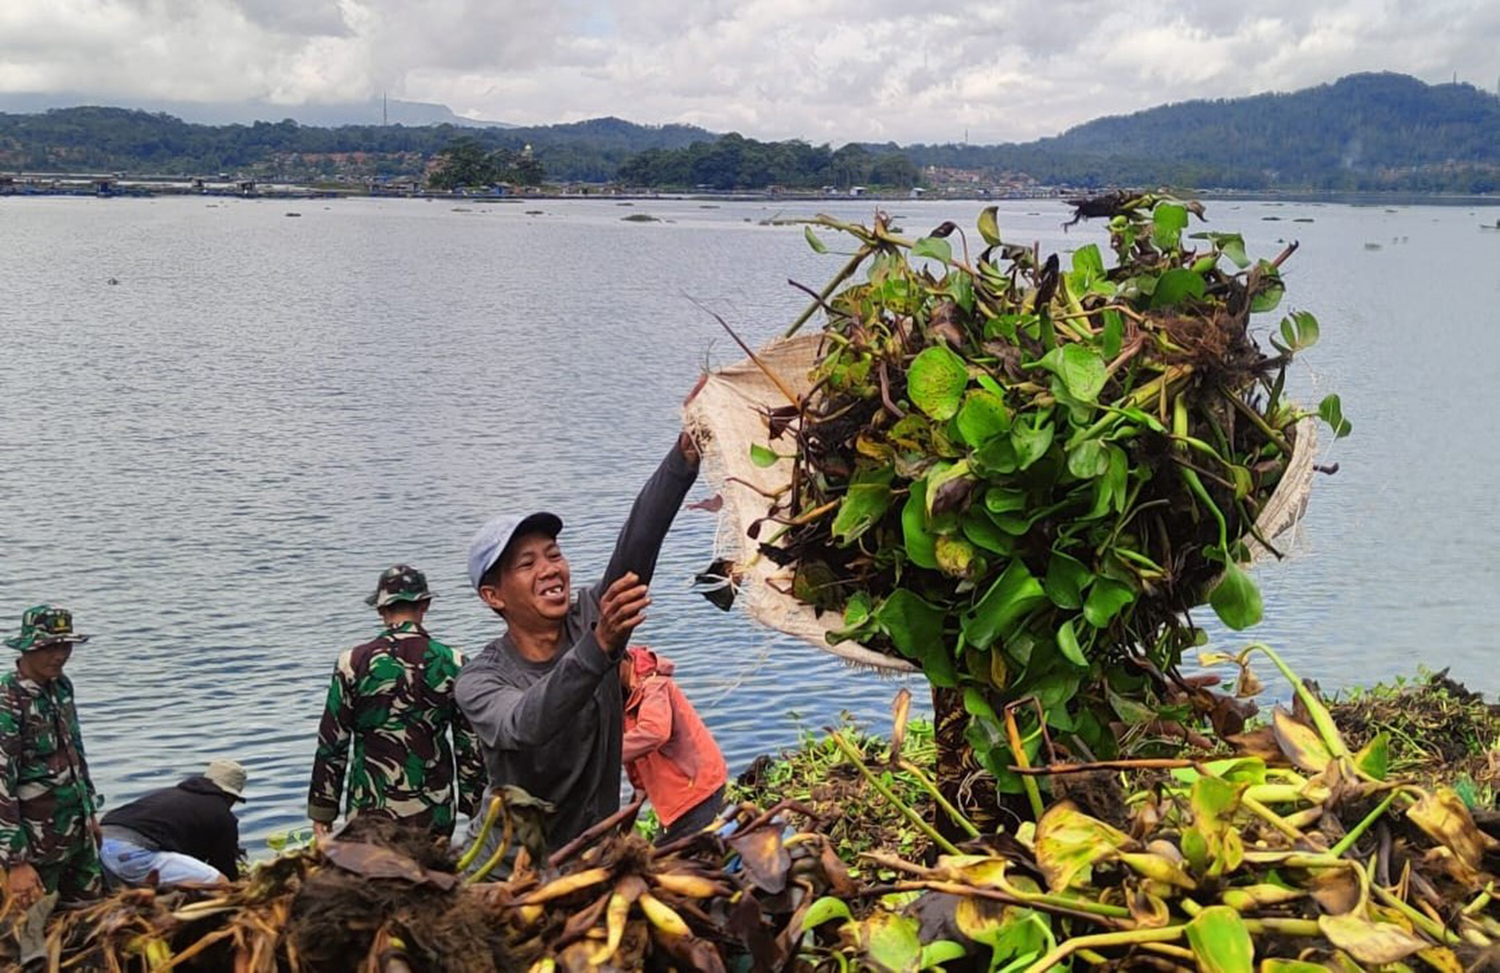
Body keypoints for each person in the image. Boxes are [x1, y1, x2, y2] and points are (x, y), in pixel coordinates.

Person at [456, 428, 700, 853]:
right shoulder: (479, 681)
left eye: (553, 554)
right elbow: (524, 725)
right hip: (508, 871)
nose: (550, 569)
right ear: (493, 596)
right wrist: (599, 646)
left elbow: (637, 543)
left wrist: (681, 462)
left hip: (593, 858)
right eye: (527, 563)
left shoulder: (590, 615)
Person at [307, 565, 485, 838]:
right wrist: (475, 806)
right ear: (425, 605)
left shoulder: (352, 663)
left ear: (381, 610)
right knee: (432, 878)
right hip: (433, 811)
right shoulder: (454, 662)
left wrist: (322, 811)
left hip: (368, 810)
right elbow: (469, 745)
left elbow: (333, 743)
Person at [0, 605, 103, 907]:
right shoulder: (9, 701)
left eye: (65, 646)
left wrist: (90, 814)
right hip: (36, 847)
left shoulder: (61, 687)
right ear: (29, 648)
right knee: (32, 935)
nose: (59, 655)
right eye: (49, 647)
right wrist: (16, 861)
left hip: (77, 836)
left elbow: (75, 753)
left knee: (92, 920)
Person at [620, 645, 727, 845]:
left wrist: (601, 756)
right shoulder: (621, 692)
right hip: (674, 795)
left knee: (668, 863)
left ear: (622, 662)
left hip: (695, 790)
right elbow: (637, 763)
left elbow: (654, 732)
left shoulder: (653, 685)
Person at [99, 758, 247, 886]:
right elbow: (224, 867)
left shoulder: (171, 794)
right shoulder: (222, 814)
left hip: (100, 844)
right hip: (133, 853)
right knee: (220, 883)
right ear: (230, 796)